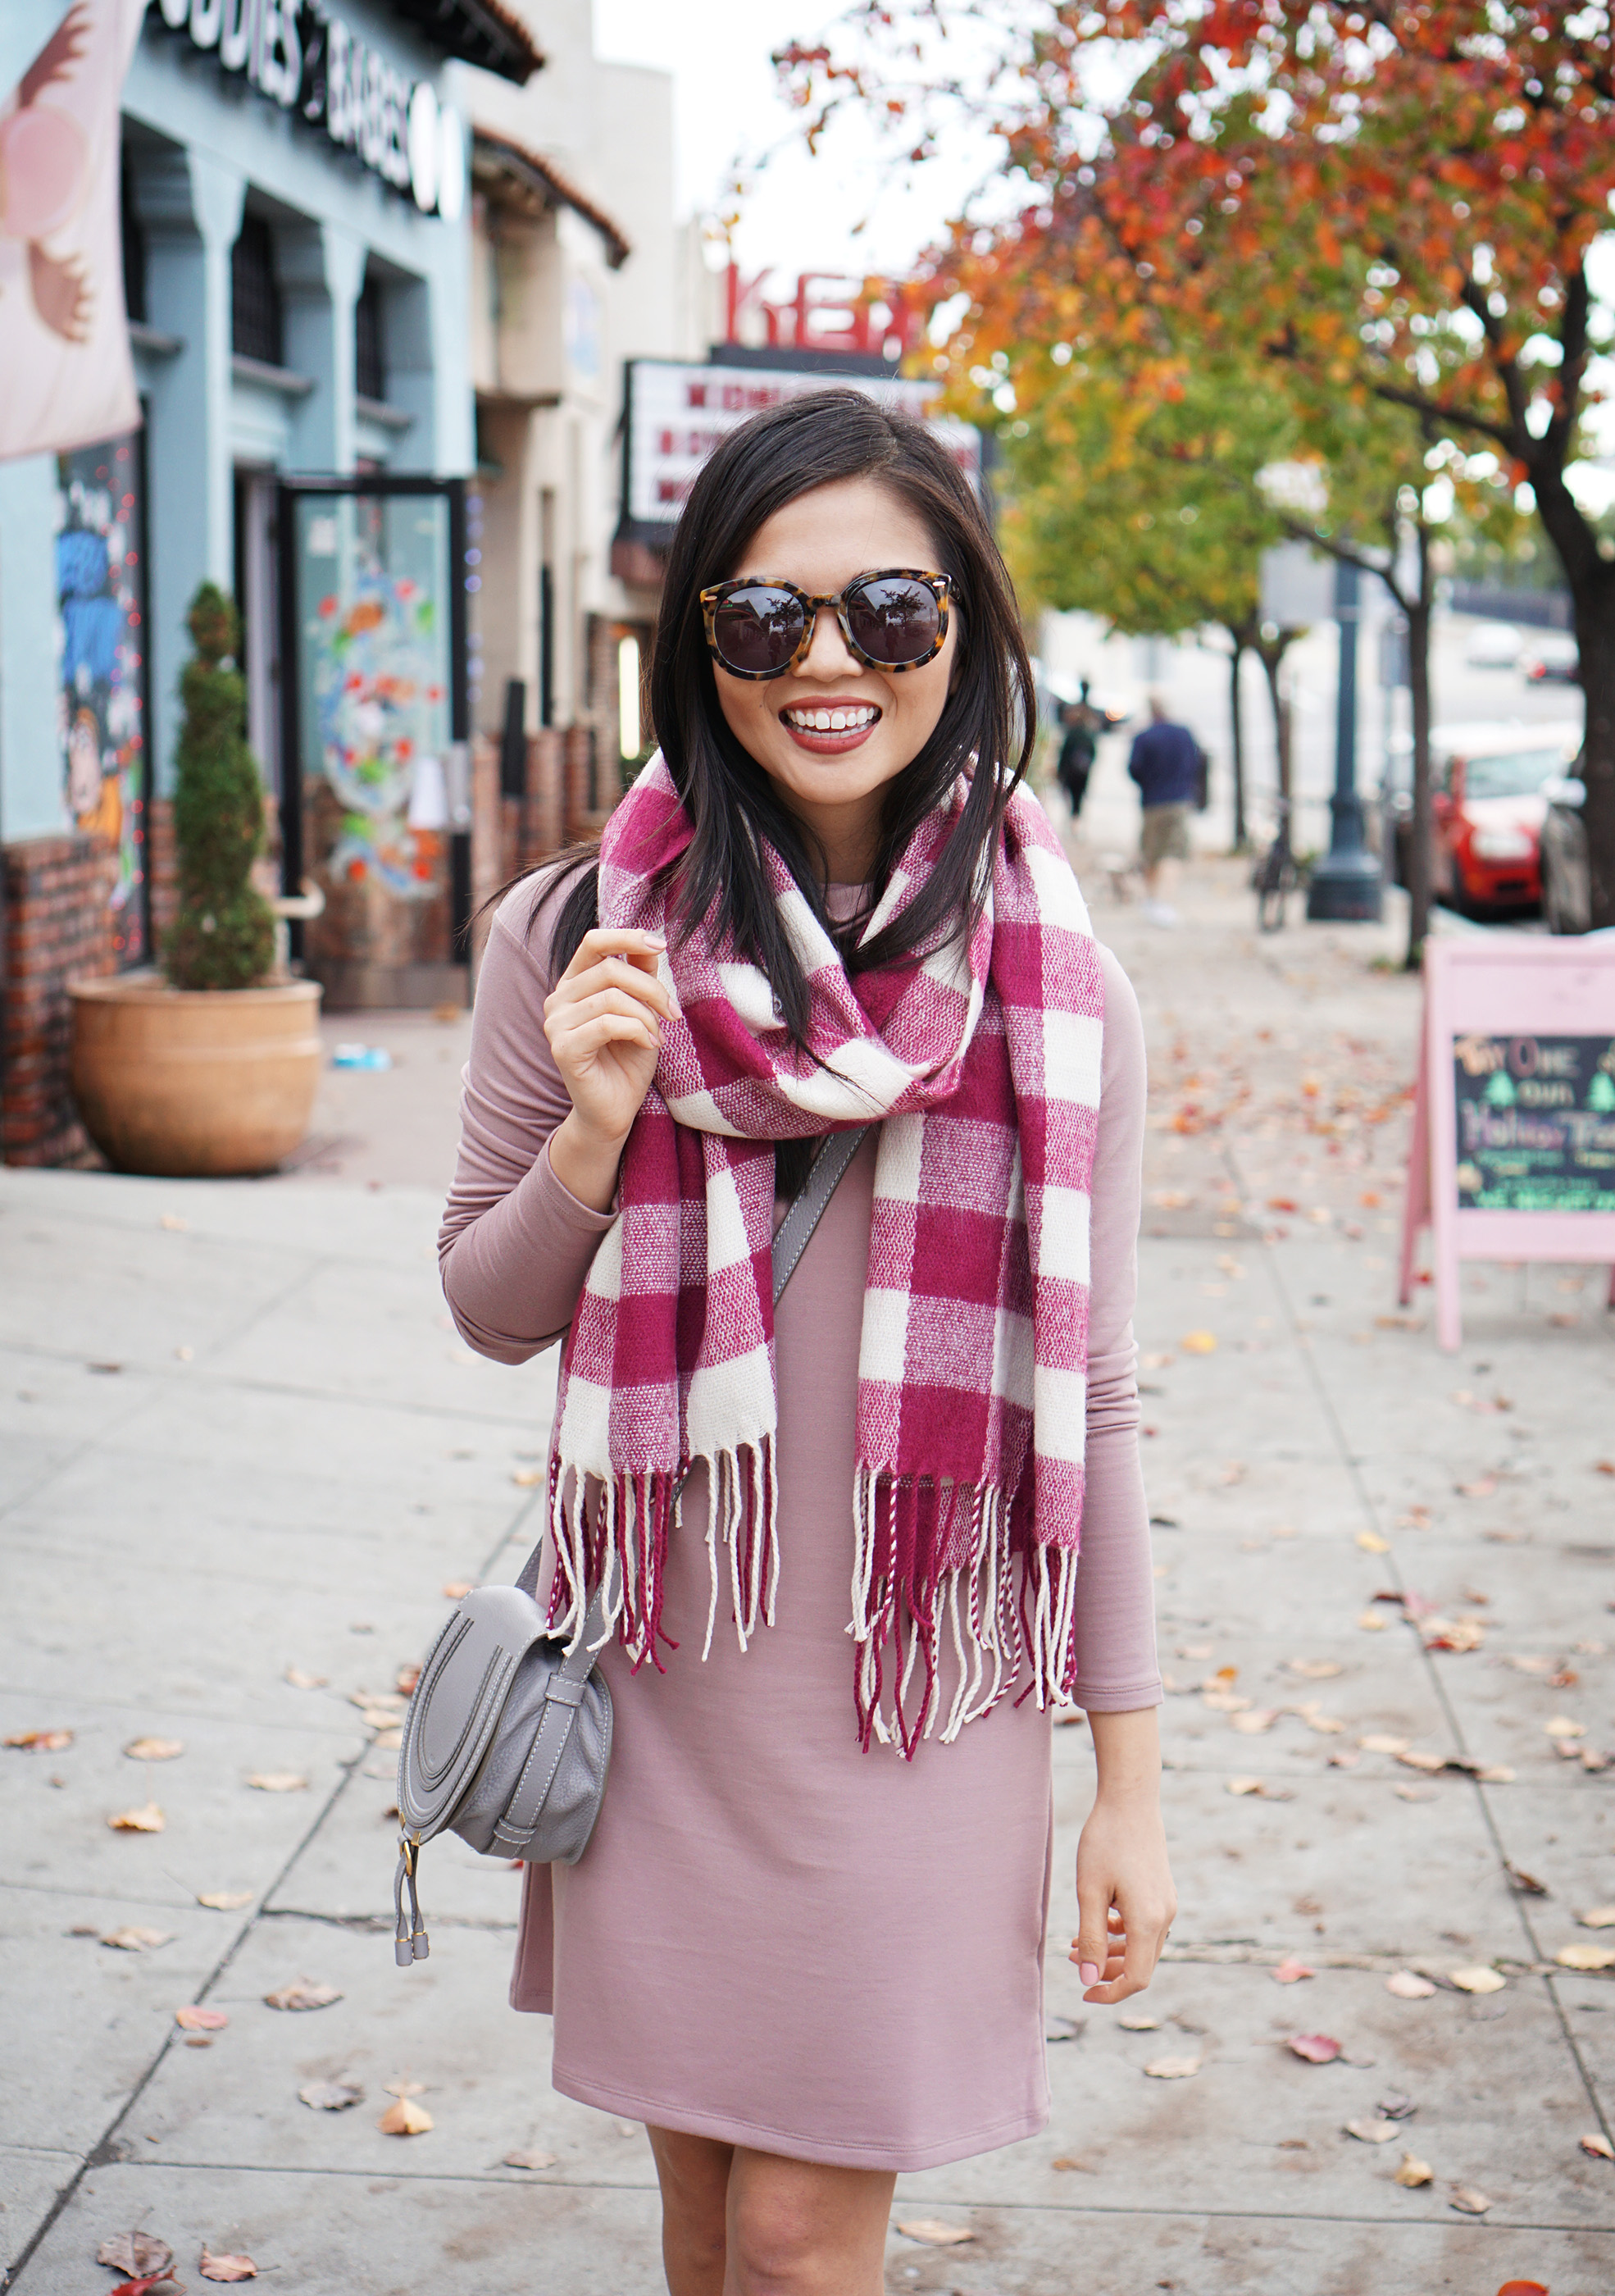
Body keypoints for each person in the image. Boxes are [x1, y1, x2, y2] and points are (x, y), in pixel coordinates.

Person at [439, 389, 1172, 2296]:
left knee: (792, 2235)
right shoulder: (571, 937)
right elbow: (488, 1304)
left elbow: (1089, 1392)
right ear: (700, 643)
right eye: (766, 620)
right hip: (671, 1668)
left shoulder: (1061, 991)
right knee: (701, 2221)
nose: (828, 664)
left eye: (891, 614)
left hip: (920, 1687)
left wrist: (1131, 1785)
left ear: (966, 634)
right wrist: (598, 1131)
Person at [1126, 692, 1203, 927]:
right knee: (1173, 852)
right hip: (1179, 800)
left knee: (1151, 852)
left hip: (1151, 802)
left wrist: (1149, 783)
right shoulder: (1184, 733)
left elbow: (1133, 769)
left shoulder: (1143, 737)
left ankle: (1150, 900)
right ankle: (1163, 902)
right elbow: (1198, 761)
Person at [1053, 679, 1103, 821]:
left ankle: (1074, 819)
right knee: (1078, 796)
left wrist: (1060, 770)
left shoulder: (1075, 724)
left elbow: (1065, 751)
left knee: (1072, 795)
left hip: (1072, 768)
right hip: (1082, 767)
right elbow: (1093, 749)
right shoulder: (1089, 720)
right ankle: (1075, 819)